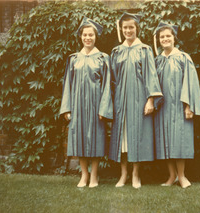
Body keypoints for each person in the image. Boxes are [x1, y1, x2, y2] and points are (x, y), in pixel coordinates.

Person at [109, 13, 163, 189]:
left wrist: (150, 100)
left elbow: (151, 76)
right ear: (121, 29)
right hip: (121, 101)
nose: (128, 30)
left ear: (137, 28)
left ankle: (135, 175)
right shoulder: (117, 51)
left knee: (138, 136)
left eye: (131, 27)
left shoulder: (145, 50)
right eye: (125, 27)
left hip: (139, 99)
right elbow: (113, 79)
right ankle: (123, 174)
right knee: (122, 139)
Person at [59, 17, 113, 188]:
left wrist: (104, 108)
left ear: (95, 36)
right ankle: (84, 175)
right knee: (79, 138)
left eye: (91, 34)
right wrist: (67, 108)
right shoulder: (73, 59)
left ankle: (95, 176)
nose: (88, 37)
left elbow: (107, 85)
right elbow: (68, 83)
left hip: (96, 104)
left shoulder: (103, 58)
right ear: (80, 36)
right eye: (85, 35)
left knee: (97, 138)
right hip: (78, 105)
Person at [153, 22, 200, 188]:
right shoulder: (158, 60)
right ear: (159, 40)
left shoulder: (183, 58)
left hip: (179, 107)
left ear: (174, 38)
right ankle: (172, 176)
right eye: (162, 37)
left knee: (179, 140)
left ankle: (182, 176)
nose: (165, 39)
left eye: (168, 36)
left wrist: (188, 106)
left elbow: (190, 83)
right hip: (163, 107)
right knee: (165, 140)